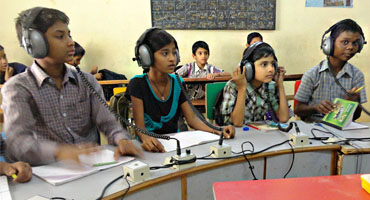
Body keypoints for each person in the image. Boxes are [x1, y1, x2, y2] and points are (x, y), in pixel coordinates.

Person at [1, 7, 141, 166]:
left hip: (92, 168)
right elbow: (17, 143)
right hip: (47, 174)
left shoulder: (87, 81)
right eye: (60, 36)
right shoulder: (18, 88)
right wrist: (59, 152)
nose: (70, 42)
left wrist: (121, 138)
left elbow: (108, 123)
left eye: (69, 35)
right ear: (35, 43)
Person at [127, 28, 235, 152]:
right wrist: (145, 138)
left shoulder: (177, 82)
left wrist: (217, 129)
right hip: (149, 149)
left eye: (174, 53)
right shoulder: (137, 83)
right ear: (147, 56)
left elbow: (192, 120)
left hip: (174, 146)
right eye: (165, 53)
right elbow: (140, 128)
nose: (172, 58)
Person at [294, 19, 367, 122]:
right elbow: (298, 110)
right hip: (314, 127)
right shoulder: (312, 74)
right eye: (345, 42)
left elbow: (356, 116)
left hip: (343, 129)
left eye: (355, 43)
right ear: (329, 44)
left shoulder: (357, 75)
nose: (350, 47)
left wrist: (354, 103)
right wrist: (316, 108)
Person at [219, 42, 289, 126]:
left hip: (256, 134)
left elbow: (284, 118)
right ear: (249, 67)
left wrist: (280, 85)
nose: (271, 69)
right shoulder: (233, 86)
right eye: (264, 64)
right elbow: (237, 123)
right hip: (235, 135)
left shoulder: (270, 86)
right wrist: (242, 89)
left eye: (273, 64)